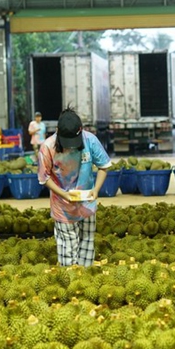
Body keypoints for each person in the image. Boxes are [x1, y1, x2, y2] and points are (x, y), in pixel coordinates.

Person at [38, 107, 111, 267]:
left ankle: (84, 282)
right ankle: (69, 283)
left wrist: (96, 190)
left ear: (81, 131)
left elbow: (104, 166)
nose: (71, 147)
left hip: (86, 204)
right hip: (62, 206)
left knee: (87, 243)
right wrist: (63, 194)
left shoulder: (90, 140)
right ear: (57, 131)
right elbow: (45, 178)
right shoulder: (47, 147)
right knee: (67, 249)